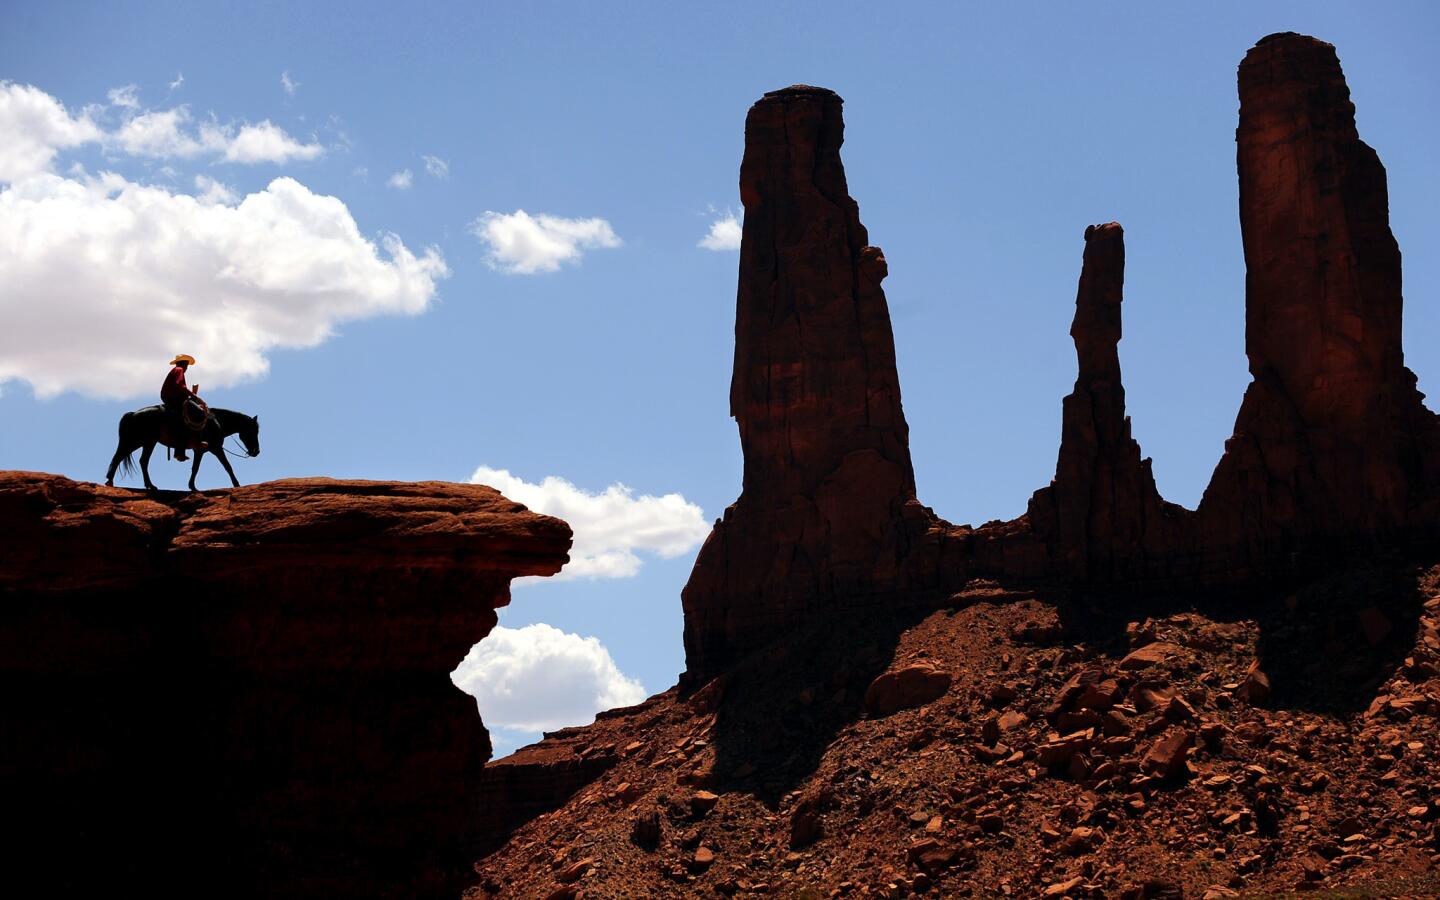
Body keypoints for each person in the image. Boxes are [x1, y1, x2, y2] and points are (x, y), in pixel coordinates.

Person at [161, 354, 204, 461]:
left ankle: (180, 450)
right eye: (187, 365)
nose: (187, 368)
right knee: (199, 412)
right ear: (184, 364)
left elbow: (178, 387)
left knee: (183, 417)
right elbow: (180, 386)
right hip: (173, 398)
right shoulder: (179, 370)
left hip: (169, 397)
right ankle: (196, 442)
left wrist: (190, 395)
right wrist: (193, 395)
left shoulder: (175, 370)